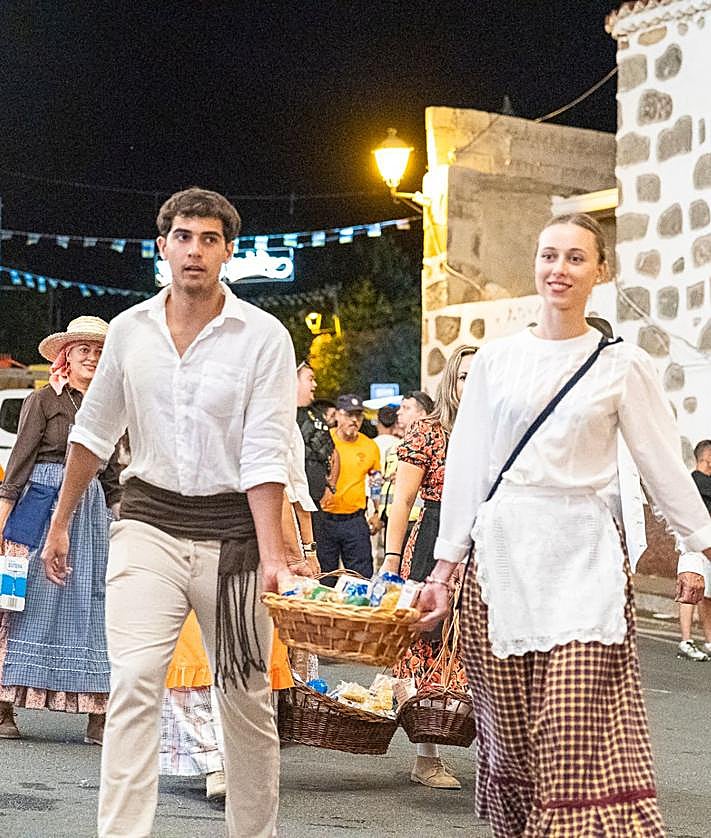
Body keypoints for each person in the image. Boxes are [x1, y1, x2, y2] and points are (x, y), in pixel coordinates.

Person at [418, 213, 711, 837]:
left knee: (574, 732)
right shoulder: (495, 360)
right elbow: (469, 465)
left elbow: (663, 465)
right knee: (515, 740)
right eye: (549, 255)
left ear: (600, 271)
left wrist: (701, 546)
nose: (559, 269)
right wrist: (445, 567)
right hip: (502, 561)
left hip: (584, 561)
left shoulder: (620, 364)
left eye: (576, 258)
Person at [40, 187, 296, 838]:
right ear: (163, 247)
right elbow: (93, 434)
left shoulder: (263, 338)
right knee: (132, 683)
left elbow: (267, 451)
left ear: (228, 253)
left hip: (234, 539)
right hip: (147, 527)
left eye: (210, 239)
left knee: (245, 702)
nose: (195, 250)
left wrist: (276, 553)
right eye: (183, 237)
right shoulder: (129, 331)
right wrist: (61, 522)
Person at [0, 317, 119, 744]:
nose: (91, 356)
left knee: (94, 604)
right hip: (40, 504)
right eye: (82, 349)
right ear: (66, 356)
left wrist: (120, 521)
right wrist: (2, 521)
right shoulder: (43, 401)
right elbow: (17, 469)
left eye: (99, 350)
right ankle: (3, 707)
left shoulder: (110, 405)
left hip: (90, 514)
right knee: (18, 599)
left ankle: (97, 715)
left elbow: (112, 478)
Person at [382, 348, 476, 790]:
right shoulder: (429, 433)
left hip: (486, 540)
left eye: (479, 377)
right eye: (462, 378)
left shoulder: (498, 433)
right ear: (450, 384)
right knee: (428, 644)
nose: (470, 386)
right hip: (435, 537)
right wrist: (392, 559)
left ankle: (499, 753)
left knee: (483, 647)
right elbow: (401, 500)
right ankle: (426, 755)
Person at [318, 394, 380, 579]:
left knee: (361, 578)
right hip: (324, 519)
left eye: (358, 416)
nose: (354, 420)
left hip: (355, 521)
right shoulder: (322, 441)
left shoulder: (370, 446)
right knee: (323, 577)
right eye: (348, 415)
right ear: (337, 415)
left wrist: (377, 512)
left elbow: (375, 480)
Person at [677, 440, 711, 660]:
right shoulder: (695, 481)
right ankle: (686, 640)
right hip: (693, 543)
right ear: (704, 458)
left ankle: (709, 640)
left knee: (707, 595)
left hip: (707, 545)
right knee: (690, 590)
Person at [296, 362, 339, 508]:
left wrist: (331, 486)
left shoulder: (315, 415)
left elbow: (333, 453)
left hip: (316, 500)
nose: (314, 385)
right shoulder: (278, 415)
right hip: (292, 500)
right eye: (310, 379)